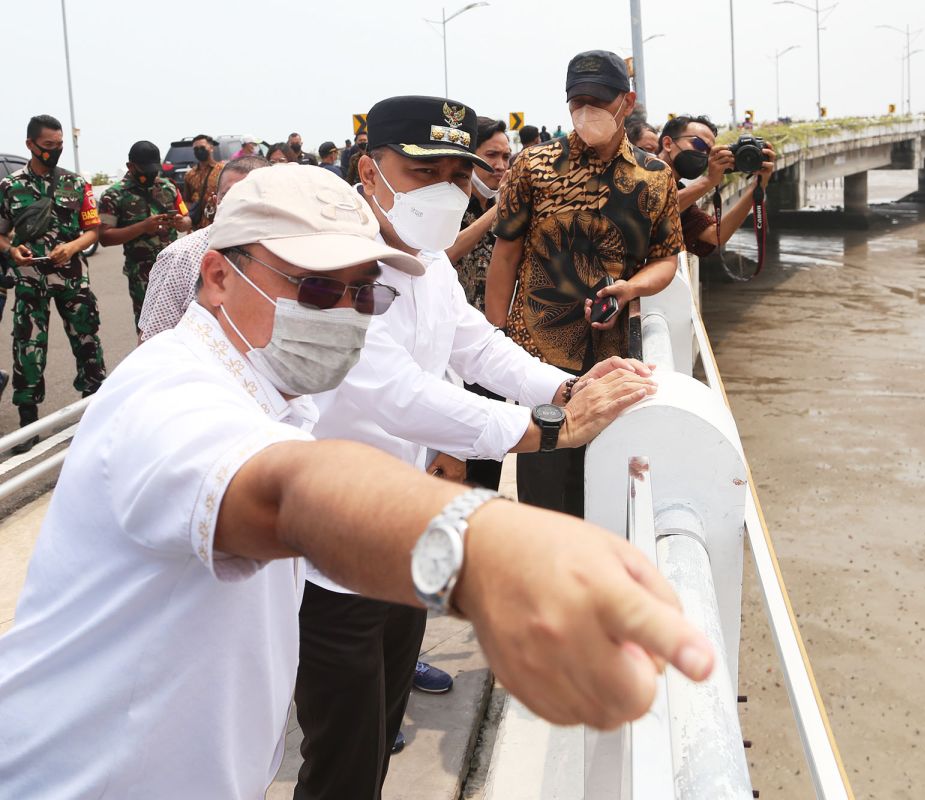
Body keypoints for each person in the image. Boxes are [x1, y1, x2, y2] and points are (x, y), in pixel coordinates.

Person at [0, 164, 715, 798]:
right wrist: (486, 552)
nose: (343, 315)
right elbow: (290, 492)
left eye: (363, 295)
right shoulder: (169, 396)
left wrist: (562, 394)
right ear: (217, 276)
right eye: (314, 287)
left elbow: (460, 359)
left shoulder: (279, 385)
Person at [297, 95, 662, 798]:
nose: (445, 192)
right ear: (370, 171)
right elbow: (394, 391)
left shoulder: (427, 258)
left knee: (380, 728)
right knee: (341, 755)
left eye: (459, 177)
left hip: (401, 526)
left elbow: (477, 346)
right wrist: (545, 429)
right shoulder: (332, 263)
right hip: (330, 554)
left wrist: (567, 385)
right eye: (422, 171)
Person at [486, 50, 684, 516]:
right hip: (538, 356)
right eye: (577, 100)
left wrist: (632, 288)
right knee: (544, 490)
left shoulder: (655, 178)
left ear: (626, 102)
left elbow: (666, 259)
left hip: (613, 358)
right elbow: (506, 253)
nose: (585, 110)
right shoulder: (532, 167)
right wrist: (496, 338)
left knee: (604, 489)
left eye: (597, 100)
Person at [0, 114, 106, 453]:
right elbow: (0, 235)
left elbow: (93, 229)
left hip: (73, 280)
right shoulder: (10, 187)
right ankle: (28, 423)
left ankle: (95, 411)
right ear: (30, 145)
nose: (55, 151)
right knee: (27, 350)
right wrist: (12, 250)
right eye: (48, 146)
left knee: (88, 344)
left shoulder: (75, 184)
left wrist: (73, 247)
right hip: (30, 282)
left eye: (59, 145)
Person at [138, 155, 271, 341]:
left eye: (252, 195)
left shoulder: (293, 255)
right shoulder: (179, 257)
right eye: (231, 195)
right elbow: (152, 343)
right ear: (216, 201)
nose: (242, 204)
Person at [446, 115, 510, 490]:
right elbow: (445, 253)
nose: (500, 166)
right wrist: (493, 215)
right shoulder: (448, 205)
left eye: (506, 156)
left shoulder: (510, 206)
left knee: (488, 455)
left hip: (491, 345)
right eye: (491, 156)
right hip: (452, 350)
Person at [98, 140, 192, 327]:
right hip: (142, 274)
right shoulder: (114, 195)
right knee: (149, 327)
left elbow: (187, 220)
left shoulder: (168, 187)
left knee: (183, 324)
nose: (151, 174)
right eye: (145, 169)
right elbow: (105, 237)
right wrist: (142, 227)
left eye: (154, 169)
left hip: (175, 268)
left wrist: (181, 223)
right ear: (130, 166)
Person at [656, 114, 775, 257]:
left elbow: (716, 235)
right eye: (699, 145)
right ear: (668, 144)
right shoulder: (638, 171)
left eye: (709, 152)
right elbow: (654, 208)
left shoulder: (680, 193)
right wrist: (710, 181)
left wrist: (758, 186)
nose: (704, 155)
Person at [183, 133, 224, 229]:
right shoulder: (190, 175)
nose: (199, 151)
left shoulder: (223, 171)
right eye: (195, 149)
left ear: (211, 148)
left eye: (202, 147)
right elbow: (186, 201)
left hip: (218, 224)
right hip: (197, 226)